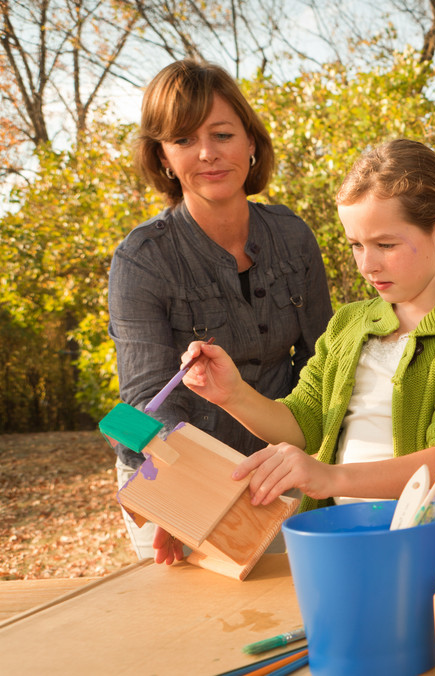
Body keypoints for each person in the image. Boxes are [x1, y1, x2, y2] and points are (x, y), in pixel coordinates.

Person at [173, 138, 435, 561]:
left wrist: (330, 477)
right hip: (350, 545)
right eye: (356, 244)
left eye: (385, 245)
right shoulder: (348, 324)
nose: (366, 264)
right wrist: (231, 393)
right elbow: (303, 424)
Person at [108, 59, 334, 562]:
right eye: (184, 140)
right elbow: (148, 399)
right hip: (173, 468)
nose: (207, 154)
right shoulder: (141, 260)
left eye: (223, 134)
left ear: (251, 143)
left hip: (277, 463)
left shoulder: (293, 237)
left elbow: (324, 362)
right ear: (163, 157)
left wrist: (307, 461)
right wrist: (192, 499)